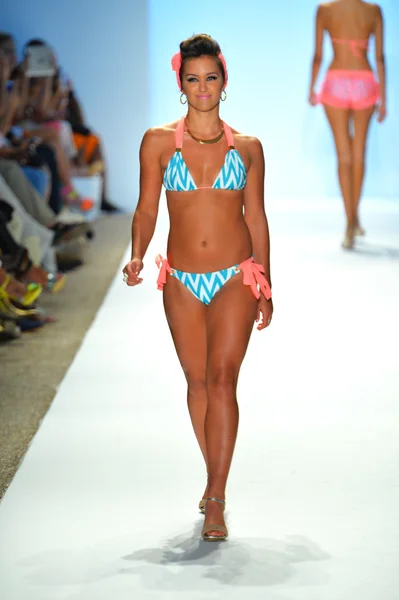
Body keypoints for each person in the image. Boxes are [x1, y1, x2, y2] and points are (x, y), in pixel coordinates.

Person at [123, 34, 273, 541]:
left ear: (223, 81)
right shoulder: (158, 141)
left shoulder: (249, 148)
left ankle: (216, 496)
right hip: (181, 279)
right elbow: (147, 207)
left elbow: (256, 216)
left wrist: (265, 282)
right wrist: (138, 253)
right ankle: (215, 476)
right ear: (180, 82)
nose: (202, 87)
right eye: (193, 78)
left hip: (235, 274)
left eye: (211, 78)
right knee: (197, 383)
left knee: (223, 378)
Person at [308, 0, 386, 250]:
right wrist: (383, 98)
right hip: (365, 80)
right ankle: (354, 219)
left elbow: (318, 55)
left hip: (336, 80)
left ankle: (349, 222)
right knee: (358, 154)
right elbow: (380, 57)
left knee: (343, 156)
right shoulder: (373, 11)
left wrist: (311, 87)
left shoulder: (325, 10)